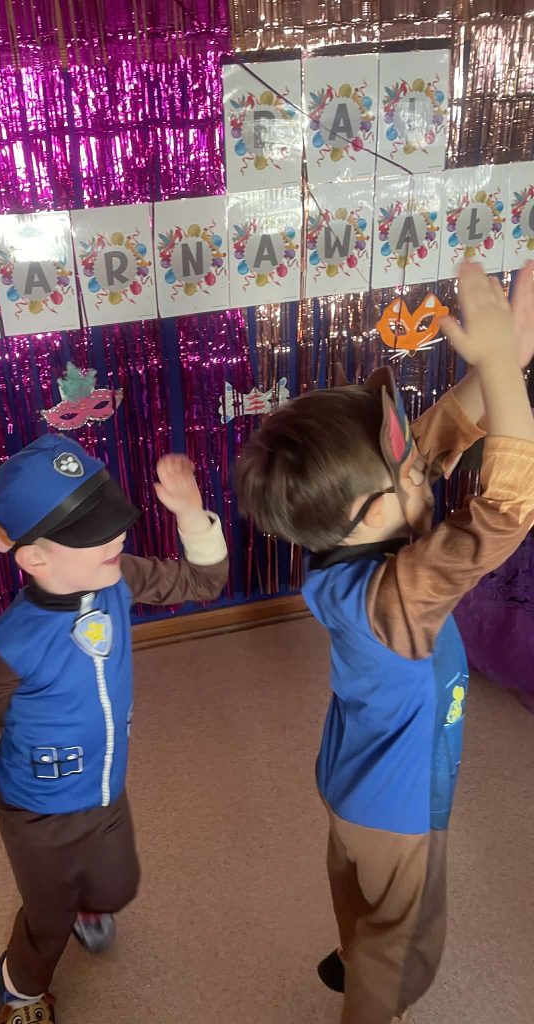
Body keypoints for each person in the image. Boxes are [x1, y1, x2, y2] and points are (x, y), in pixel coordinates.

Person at [236, 260, 534, 1024]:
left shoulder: (342, 550)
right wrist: (503, 372)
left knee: (355, 880)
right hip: (402, 807)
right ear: (373, 513)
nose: (423, 470)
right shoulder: (399, 594)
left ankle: (352, 946)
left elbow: (429, 443)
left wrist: (507, 361)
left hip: (350, 783)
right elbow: (506, 508)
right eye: (408, 474)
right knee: (402, 944)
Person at [0, 434, 228, 1024]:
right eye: (92, 533)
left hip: (106, 792)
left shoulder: (118, 578)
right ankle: (19, 988)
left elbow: (202, 583)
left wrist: (192, 516)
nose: (116, 538)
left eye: (112, 522)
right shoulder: (9, 646)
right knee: (48, 921)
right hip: (39, 812)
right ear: (35, 559)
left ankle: (91, 905)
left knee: (117, 886)